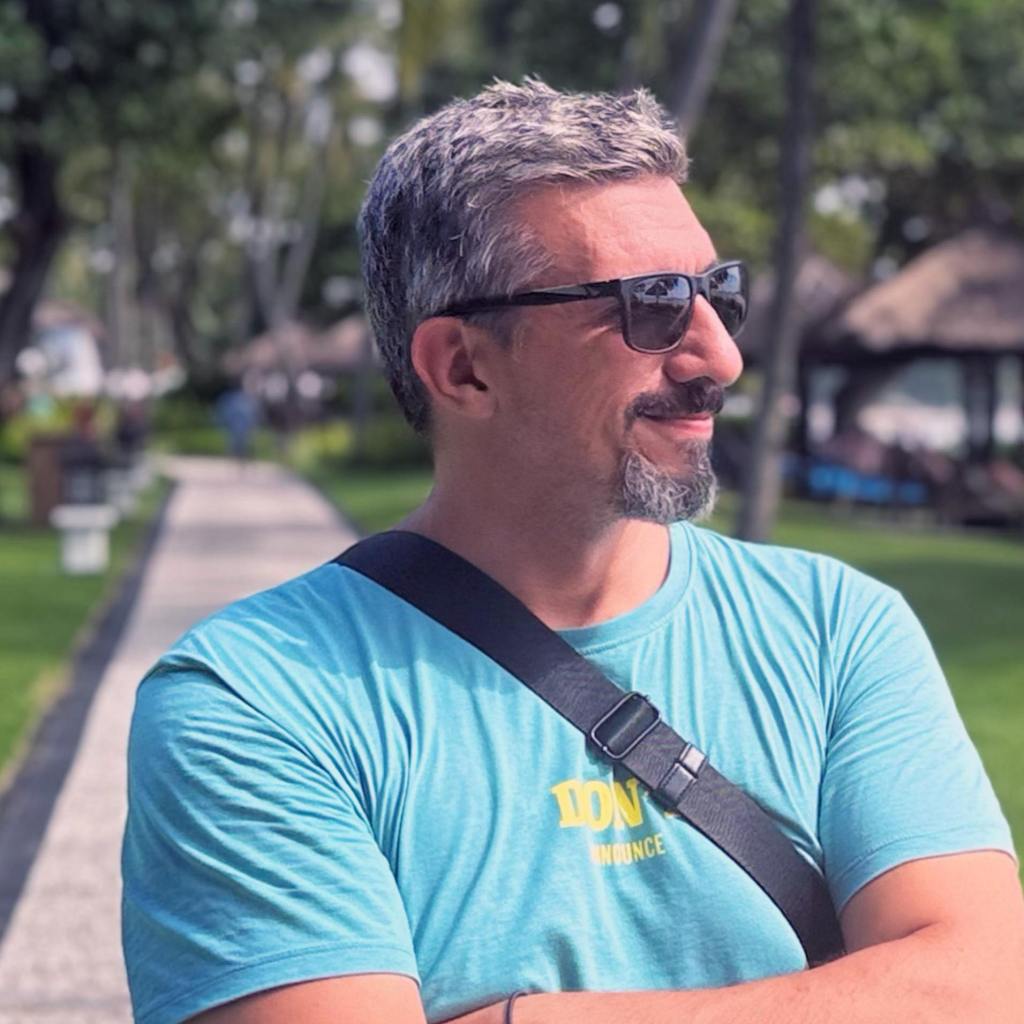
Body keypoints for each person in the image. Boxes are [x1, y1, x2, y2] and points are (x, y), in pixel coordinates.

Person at [121, 80, 1023, 1024]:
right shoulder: (257, 702)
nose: (721, 358)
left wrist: (522, 1019)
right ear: (464, 368)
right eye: (651, 305)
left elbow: (979, 989)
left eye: (718, 294)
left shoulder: (836, 631)